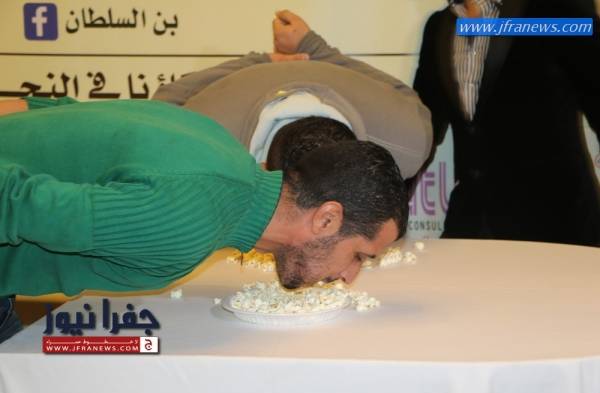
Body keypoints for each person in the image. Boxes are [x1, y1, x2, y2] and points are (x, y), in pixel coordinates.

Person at [0, 96, 408, 342]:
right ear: (327, 219)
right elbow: (11, 202)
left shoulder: (218, 147)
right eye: (359, 255)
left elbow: (55, 114)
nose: (349, 276)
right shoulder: (190, 221)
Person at [153, 10, 433, 184]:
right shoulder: (207, 143)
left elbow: (163, 103)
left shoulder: (404, 143)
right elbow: (160, 108)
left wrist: (269, 61)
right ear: (264, 170)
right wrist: (309, 52)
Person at [414, 0, 600, 246]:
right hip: (471, 226)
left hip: (558, 229)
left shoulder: (559, 9)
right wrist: (379, 208)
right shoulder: (439, 26)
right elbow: (421, 130)